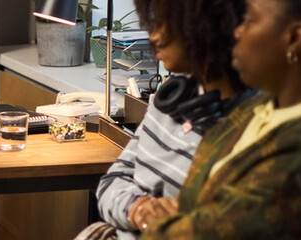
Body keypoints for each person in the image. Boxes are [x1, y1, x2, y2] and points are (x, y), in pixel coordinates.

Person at [142, 0, 301, 238]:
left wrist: (147, 216)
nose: (237, 32)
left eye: (249, 20)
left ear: (295, 38)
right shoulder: (275, 104)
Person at [78, 0, 253, 239]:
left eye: (166, 23)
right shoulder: (169, 101)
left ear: (206, 26)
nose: (154, 36)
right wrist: (137, 209)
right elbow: (111, 182)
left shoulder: (254, 125)